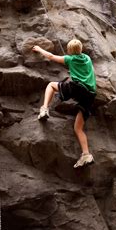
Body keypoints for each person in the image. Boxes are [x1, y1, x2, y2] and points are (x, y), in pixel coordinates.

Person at [32, 39, 96, 168]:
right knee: (78, 128)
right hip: (90, 95)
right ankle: (86, 155)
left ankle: (44, 108)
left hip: (78, 88)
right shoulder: (87, 58)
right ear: (81, 49)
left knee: (51, 85)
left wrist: (39, 49)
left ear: (69, 51)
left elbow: (51, 56)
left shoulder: (70, 59)